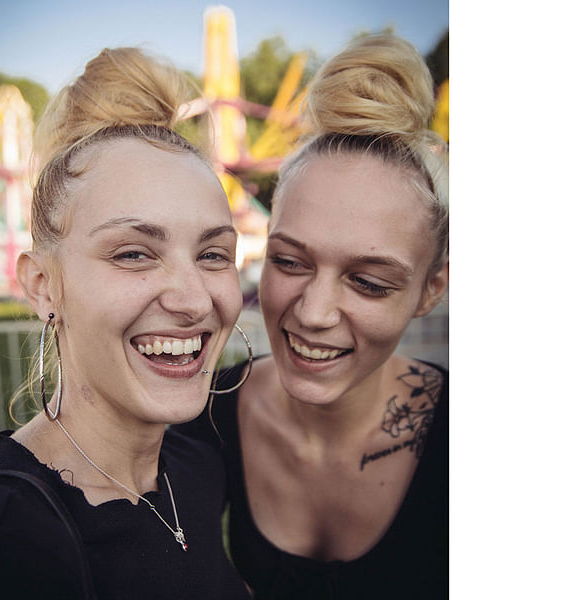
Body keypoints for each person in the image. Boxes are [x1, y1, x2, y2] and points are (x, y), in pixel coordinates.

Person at [0, 47, 251, 600]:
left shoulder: (198, 459)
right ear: (42, 285)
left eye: (212, 255)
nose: (192, 300)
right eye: (133, 254)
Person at [176, 34, 449, 599]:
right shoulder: (203, 417)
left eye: (369, 282)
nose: (315, 312)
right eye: (290, 262)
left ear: (431, 289)